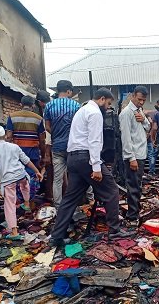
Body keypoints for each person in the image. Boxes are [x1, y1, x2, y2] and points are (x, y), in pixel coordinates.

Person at [49, 88, 134, 247]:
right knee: (111, 191)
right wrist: (96, 166)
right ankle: (114, 231)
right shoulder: (95, 113)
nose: (108, 108)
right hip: (86, 157)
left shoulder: (82, 110)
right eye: (108, 104)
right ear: (102, 99)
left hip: (73, 157)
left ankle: (56, 236)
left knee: (70, 199)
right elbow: (94, 141)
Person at [0, 125, 43, 240]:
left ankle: (14, 231)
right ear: (5, 136)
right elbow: (26, 161)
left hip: (8, 179)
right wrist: (37, 171)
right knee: (25, 184)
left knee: (9, 204)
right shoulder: (14, 146)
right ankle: (26, 204)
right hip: (20, 174)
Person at [44, 80, 80, 207]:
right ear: (69, 91)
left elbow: (47, 127)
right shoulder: (76, 106)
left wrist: (56, 134)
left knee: (57, 179)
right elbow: (79, 126)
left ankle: (58, 206)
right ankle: (73, 204)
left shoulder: (49, 106)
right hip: (73, 147)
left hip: (57, 147)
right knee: (74, 177)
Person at [119, 86, 150, 227]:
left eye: (143, 100)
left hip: (141, 154)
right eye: (139, 99)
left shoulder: (139, 111)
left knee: (137, 186)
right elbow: (125, 138)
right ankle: (132, 217)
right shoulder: (126, 113)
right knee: (133, 186)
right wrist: (131, 158)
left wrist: (144, 119)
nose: (141, 102)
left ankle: (134, 213)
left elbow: (148, 127)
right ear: (132, 96)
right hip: (134, 155)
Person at [6, 96, 45, 202]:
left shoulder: (12, 117)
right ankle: (29, 201)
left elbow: (9, 137)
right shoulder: (38, 119)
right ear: (33, 106)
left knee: (18, 176)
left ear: (20, 105)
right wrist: (43, 155)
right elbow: (42, 140)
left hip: (16, 152)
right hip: (33, 152)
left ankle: (19, 201)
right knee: (32, 176)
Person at [37, 91, 53, 200]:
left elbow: (47, 134)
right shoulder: (55, 106)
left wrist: (46, 152)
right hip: (62, 143)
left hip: (52, 144)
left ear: (39, 102)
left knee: (52, 171)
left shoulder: (47, 110)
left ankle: (50, 196)